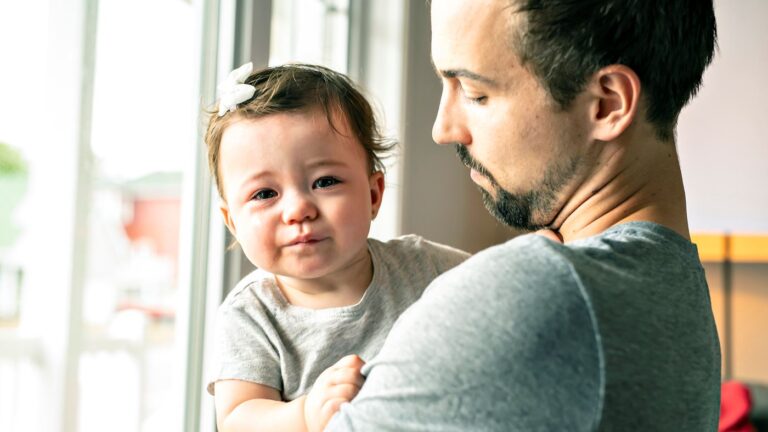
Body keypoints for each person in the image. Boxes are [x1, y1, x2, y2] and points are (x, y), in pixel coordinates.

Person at [320, 0, 721, 430]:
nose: (443, 128)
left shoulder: (535, 291)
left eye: (475, 93)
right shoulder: (672, 288)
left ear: (606, 103)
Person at [204, 63, 470, 432]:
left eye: (325, 181)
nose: (298, 209)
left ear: (374, 194)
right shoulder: (252, 314)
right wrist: (306, 414)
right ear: (232, 221)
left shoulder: (424, 266)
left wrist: (538, 250)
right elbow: (237, 418)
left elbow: (500, 282)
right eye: (265, 194)